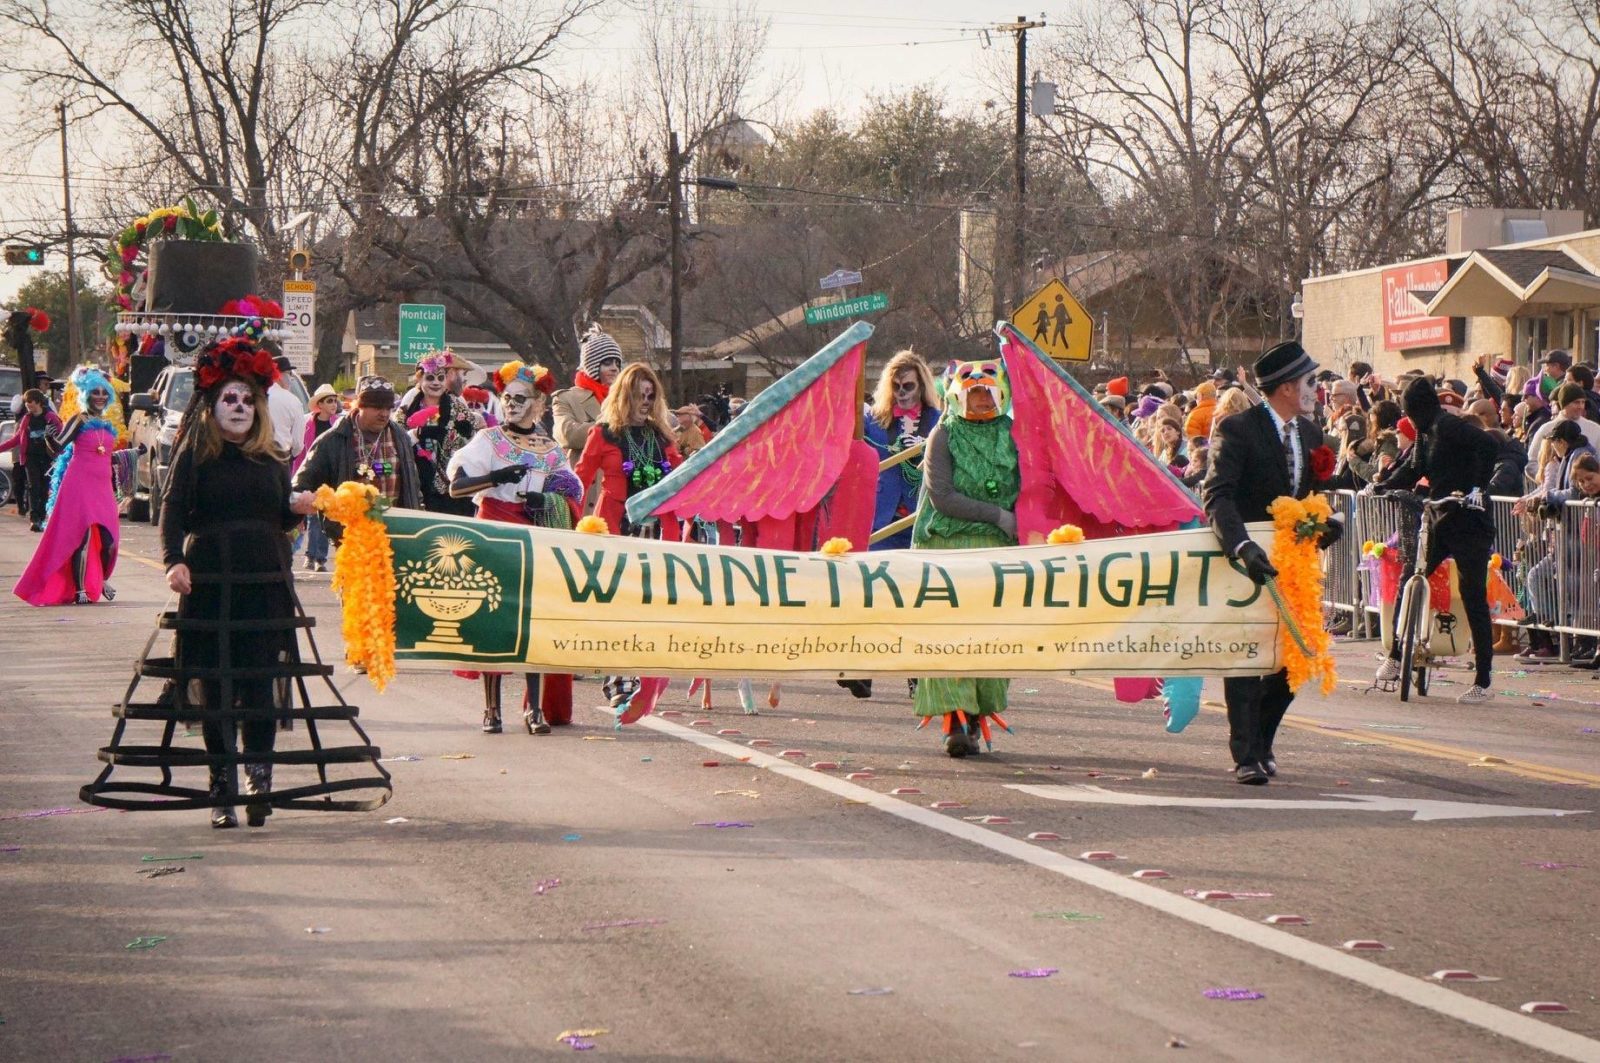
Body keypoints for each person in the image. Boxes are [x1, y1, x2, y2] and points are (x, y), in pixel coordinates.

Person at [159, 335, 318, 828]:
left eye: (248, 399)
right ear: (211, 405)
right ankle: (221, 786)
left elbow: (276, 518)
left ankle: (258, 781)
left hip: (264, 583)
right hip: (211, 581)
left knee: (259, 682)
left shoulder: (271, 457)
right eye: (230, 398)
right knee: (218, 687)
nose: (240, 407)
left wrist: (296, 510)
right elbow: (171, 511)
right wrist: (172, 561)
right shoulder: (195, 454)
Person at [1203, 340, 1341, 785]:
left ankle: (1263, 739)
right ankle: (1245, 754)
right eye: (1309, 381)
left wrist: (1325, 524)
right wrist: (1241, 546)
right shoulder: (1238, 429)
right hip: (1248, 561)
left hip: (1295, 564)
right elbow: (1218, 494)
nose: (1315, 390)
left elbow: (1310, 497)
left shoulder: (1311, 434)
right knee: (1246, 656)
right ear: (1285, 388)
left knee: (1294, 656)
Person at [448, 361, 583, 734]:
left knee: (533, 620)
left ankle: (534, 709)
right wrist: (495, 477)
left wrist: (551, 499)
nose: (511, 405)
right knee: (494, 621)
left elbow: (574, 489)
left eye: (520, 398)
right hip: (493, 533)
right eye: (507, 398)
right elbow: (456, 486)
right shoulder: (488, 441)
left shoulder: (550, 449)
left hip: (532, 534)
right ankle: (492, 709)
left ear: (538, 403)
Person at [911, 358, 1018, 758]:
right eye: (971, 394)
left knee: (992, 634)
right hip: (947, 547)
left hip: (999, 554)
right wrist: (998, 515)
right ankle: (955, 720)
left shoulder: (1014, 435)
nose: (979, 400)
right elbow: (942, 496)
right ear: (957, 396)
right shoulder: (943, 436)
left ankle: (977, 713)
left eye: (986, 393)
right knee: (950, 634)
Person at [1371, 378, 1500, 703]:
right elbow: (1414, 468)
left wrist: (1477, 488)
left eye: (1409, 412)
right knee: (1412, 577)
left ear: (1417, 409)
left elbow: (1488, 446)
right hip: (1439, 517)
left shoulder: (1449, 426)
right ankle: (1397, 654)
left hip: (1468, 519)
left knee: (1472, 593)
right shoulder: (1425, 434)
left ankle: (1483, 679)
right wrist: (1383, 486)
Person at [573, 363, 683, 707]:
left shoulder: (662, 435)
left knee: (647, 607)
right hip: (615, 530)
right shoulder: (603, 434)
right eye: (640, 395)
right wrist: (573, 525)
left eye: (652, 396)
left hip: (654, 533)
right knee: (619, 605)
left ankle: (639, 675)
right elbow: (580, 481)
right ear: (626, 395)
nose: (646, 402)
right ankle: (619, 678)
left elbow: (681, 478)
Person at [14, 367, 123, 607]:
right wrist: (48, 438)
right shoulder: (79, 419)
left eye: (104, 392)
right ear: (86, 394)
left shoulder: (105, 423)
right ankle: (80, 590)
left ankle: (102, 578)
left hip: (102, 487)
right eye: (95, 392)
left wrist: (131, 456)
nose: (100, 396)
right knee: (80, 537)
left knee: (109, 540)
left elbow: (107, 456)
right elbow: (59, 447)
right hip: (79, 484)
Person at [292, 376, 422, 536]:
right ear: (359, 406)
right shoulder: (333, 439)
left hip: (397, 532)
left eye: (388, 408)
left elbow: (413, 484)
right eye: (377, 408)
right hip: (351, 536)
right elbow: (301, 485)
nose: (384, 414)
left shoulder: (400, 436)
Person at [865, 350, 942, 551]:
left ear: (921, 387)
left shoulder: (938, 421)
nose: (901, 393)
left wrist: (926, 446)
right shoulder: (872, 420)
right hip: (881, 521)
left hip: (923, 520)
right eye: (896, 387)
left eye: (908, 386)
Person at [398, 350, 485, 517]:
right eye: (430, 378)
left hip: (450, 485)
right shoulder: (408, 407)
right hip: (415, 480)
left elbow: (469, 438)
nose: (436, 383)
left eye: (440, 378)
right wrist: (416, 434)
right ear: (419, 379)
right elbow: (397, 437)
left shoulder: (457, 405)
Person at [553, 326, 623, 468]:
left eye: (617, 363)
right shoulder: (567, 398)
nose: (615, 368)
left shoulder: (627, 397)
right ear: (592, 366)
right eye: (607, 363)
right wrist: (614, 424)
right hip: (590, 480)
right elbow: (567, 435)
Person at [0, 389, 62, 531]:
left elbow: (62, 434)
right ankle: (34, 518)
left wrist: (62, 453)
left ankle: (42, 516)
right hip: (30, 457)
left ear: (39, 402)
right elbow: (16, 439)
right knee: (33, 486)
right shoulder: (26, 419)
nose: (28, 406)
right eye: (26, 404)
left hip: (47, 457)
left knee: (44, 487)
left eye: (31, 403)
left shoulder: (50, 417)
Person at [295, 385, 342, 572]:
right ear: (319, 404)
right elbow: (300, 454)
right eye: (329, 400)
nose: (333, 404)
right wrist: (296, 475)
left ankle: (320, 557)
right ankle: (309, 555)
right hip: (310, 475)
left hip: (329, 477)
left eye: (334, 400)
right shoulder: (307, 423)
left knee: (323, 518)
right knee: (308, 518)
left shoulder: (339, 424)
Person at [266, 359, 305, 465]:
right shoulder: (292, 400)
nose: (290, 378)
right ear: (278, 375)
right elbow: (298, 442)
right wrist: (291, 456)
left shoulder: (258, 395)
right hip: (282, 457)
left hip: (255, 456)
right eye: (288, 373)